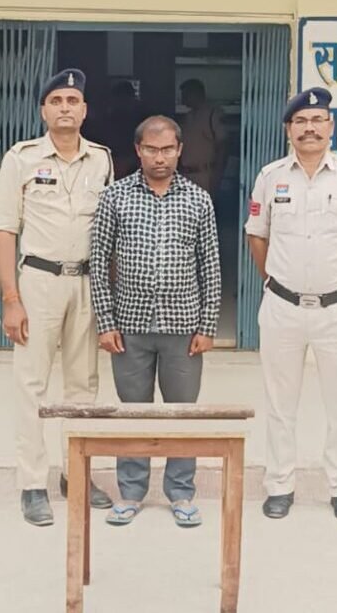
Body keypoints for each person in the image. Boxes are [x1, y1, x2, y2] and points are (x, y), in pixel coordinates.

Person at [245, 87, 337, 523]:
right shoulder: (270, 177)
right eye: (300, 121)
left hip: (336, 310)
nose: (309, 129)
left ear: (330, 126)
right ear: (288, 129)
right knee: (280, 404)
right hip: (282, 307)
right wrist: (274, 280)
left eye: (318, 120)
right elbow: (257, 236)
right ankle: (279, 485)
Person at [0, 68, 114, 527]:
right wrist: (11, 298)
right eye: (57, 101)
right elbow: (6, 230)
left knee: (84, 384)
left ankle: (76, 474)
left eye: (73, 101)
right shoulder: (21, 158)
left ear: (84, 110)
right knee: (32, 384)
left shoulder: (101, 160)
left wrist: (109, 296)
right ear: (44, 111)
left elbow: (107, 232)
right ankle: (32, 484)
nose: (65, 108)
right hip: (38, 282)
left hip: (86, 283)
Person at [89, 115, 222, 528]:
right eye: (151, 149)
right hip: (129, 326)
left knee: (182, 413)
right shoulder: (115, 197)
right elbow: (99, 262)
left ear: (179, 150)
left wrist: (208, 325)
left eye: (167, 149)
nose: (159, 157)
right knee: (133, 412)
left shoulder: (198, 200)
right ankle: (131, 492)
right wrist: (106, 322)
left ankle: (181, 492)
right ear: (138, 150)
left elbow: (210, 265)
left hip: (184, 328)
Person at [178, 78, 227, 198]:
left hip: (205, 175)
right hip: (186, 176)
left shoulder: (212, 114)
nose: (183, 98)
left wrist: (217, 177)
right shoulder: (188, 117)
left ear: (195, 93)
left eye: (185, 94)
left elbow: (223, 146)